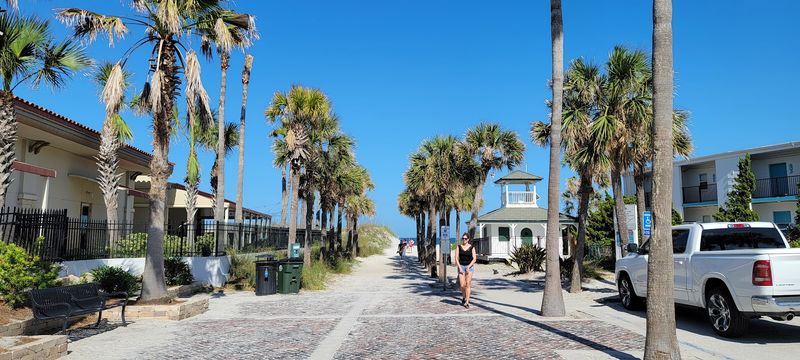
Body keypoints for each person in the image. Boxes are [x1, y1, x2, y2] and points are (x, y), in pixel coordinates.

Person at [454, 232, 476, 308]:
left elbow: (474, 258)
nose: (464, 240)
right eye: (463, 238)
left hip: (469, 267)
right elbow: (456, 258)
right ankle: (464, 297)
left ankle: (467, 302)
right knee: (462, 285)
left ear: (468, 239)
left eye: (465, 238)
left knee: (468, 284)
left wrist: (469, 266)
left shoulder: (472, 247)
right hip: (461, 266)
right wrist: (459, 267)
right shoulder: (458, 247)